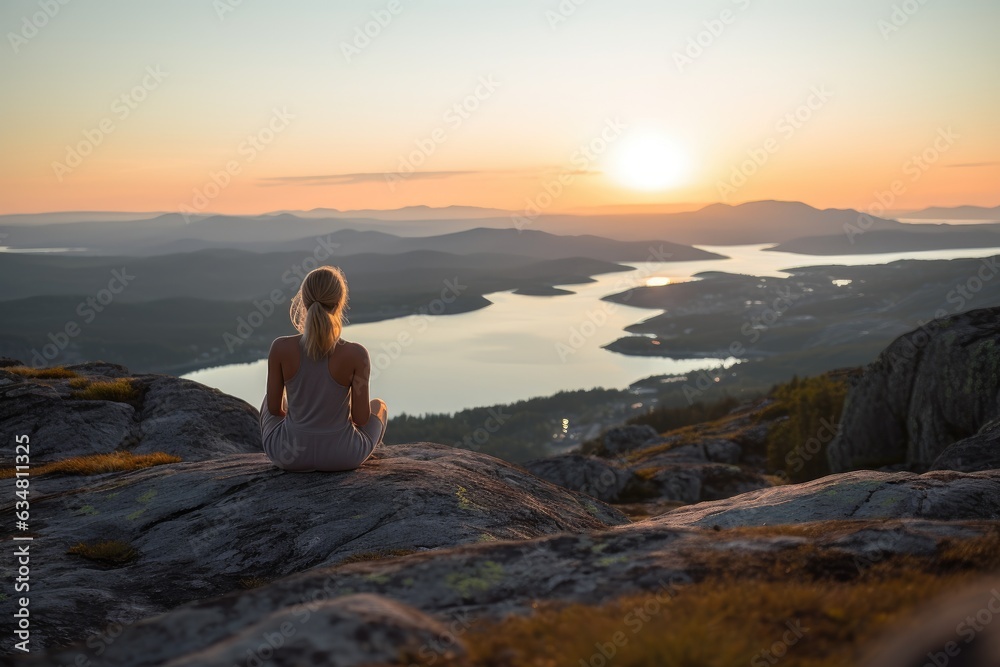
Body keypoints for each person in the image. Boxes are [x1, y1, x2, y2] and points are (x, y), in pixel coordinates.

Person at [259, 266, 388, 471]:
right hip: (343, 457)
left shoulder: (280, 348)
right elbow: (361, 419)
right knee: (379, 406)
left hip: (288, 456)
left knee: (269, 399)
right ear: (339, 304)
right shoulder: (356, 354)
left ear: (304, 301)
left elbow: (275, 410)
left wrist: (301, 424)